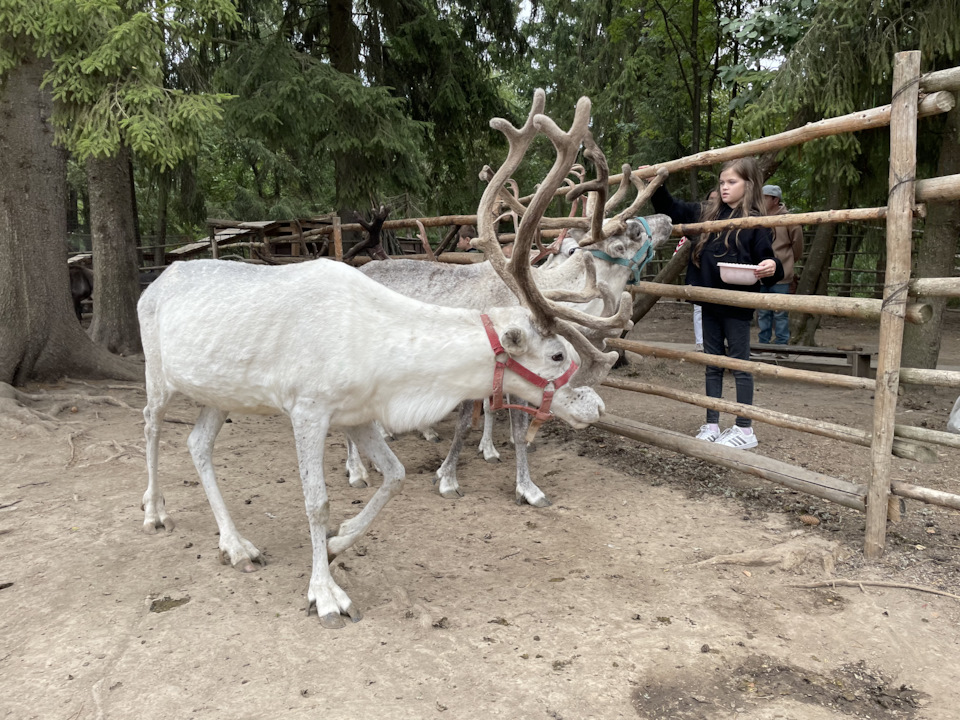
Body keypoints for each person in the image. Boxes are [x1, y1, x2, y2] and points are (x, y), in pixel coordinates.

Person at [651, 158, 783, 450]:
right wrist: (657, 182)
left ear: (749, 185)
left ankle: (745, 429)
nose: (724, 187)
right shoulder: (706, 212)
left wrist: (769, 266)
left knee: (739, 365)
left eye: (732, 182)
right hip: (708, 303)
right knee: (712, 364)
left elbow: (770, 260)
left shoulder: (755, 222)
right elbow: (671, 209)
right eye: (722, 182)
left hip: (736, 307)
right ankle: (712, 424)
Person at [756, 185, 803, 350]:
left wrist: (787, 263)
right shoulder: (758, 218)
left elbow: (798, 246)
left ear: (775, 200)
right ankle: (763, 345)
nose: (760, 200)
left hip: (782, 275)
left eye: (764, 197)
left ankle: (782, 347)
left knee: (781, 312)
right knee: (762, 312)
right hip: (761, 273)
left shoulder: (789, 220)